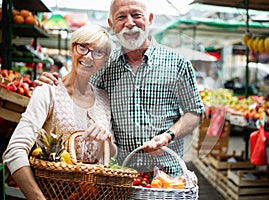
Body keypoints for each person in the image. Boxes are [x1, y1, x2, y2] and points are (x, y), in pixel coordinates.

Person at [35, 0, 205, 177]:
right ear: (112, 25)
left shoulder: (177, 63)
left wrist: (168, 135)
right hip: (119, 176)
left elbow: (195, 111)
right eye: (121, 17)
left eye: (137, 15)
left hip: (167, 174)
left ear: (150, 19)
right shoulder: (103, 65)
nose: (130, 23)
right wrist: (53, 84)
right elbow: (79, 90)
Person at [2, 25, 117, 200]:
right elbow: (14, 152)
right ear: (72, 49)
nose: (88, 56)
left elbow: (112, 153)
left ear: (105, 60)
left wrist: (107, 140)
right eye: (83, 47)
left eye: (98, 52)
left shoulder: (104, 99)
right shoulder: (48, 92)